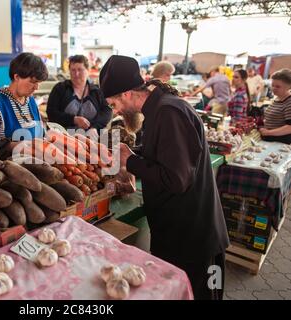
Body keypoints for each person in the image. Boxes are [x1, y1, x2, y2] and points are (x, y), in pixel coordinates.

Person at [99, 55, 229, 300]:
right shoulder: (160, 109)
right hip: (179, 235)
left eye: (113, 104)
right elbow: (164, 156)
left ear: (126, 94)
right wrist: (132, 153)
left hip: (194, 242)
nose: (114, 111)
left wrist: (131, 161)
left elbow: (177, 179)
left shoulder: (169, 112)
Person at [0, 52, 48, 159]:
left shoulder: (31, 101)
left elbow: (39, 134)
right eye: (33, 82)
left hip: (37, 166)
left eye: (39, 82)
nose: (36, 87)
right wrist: (11, 146)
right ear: (17, 77)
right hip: (8, 170)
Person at [46, 55, 112, 135]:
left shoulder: (97, 91)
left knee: (114, 138)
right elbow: (51, 113)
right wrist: (73, 119)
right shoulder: (60, 89)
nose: (76, 74)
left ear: (88, 70)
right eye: (73, 70)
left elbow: (107, 111)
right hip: (65, 136)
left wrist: (94, 127)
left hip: (93, 134)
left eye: (80, 70)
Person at [259, 69, 291, 144]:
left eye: (278, 86)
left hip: (280, 142)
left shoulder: (289, 102)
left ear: (288, 87)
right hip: (271, 140)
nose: (273, 88)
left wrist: (268, 132)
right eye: (272, 85)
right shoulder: (278, 98)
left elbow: (289, 127)